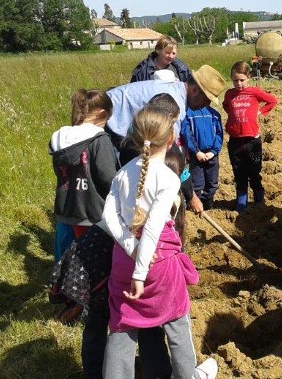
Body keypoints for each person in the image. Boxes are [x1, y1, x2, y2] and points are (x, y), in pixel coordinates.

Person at [101, 106, 218, 379]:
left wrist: (130, 246)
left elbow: (108, 217)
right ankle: (189, 375)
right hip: (158, 265)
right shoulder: (167, 177)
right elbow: (152, 228)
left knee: (121, 327)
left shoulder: (123, 173)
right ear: (170, 140)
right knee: (177, 324)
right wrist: (141, 271)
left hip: (122, 261)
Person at [106, 64, 227, 216]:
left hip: (120, 124)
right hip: (109, 121)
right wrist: (191, 196)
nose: (207, 104)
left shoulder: (176, 92)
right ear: (195, 90)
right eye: (207, 99)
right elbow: (170, 154)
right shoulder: (173, 104)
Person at [50, 89, 118, 262]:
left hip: (65, 212)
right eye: (107, 119)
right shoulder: (100, 140)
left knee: (64, 263)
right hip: (92, 215)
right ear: (102, 113)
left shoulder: (58, 140)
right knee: (90, 268)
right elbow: (108, 178)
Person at [222, 61, 278, 212]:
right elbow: (226, 106)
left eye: (242, 80)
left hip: (252, 140)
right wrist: (234, 118)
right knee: (238, 171)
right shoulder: (230, 94)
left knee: (254, 170)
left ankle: (259, 196)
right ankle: (241, 198)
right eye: (235, 80)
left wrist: (260, 112)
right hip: (235, 140)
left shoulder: (254, 92)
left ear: (248, 77)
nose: (239, 83)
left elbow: (272, 101)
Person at [181, 99, 223, 211]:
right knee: (197, 183)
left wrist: (213, 151)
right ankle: (195, 206)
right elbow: (187, 133)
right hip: (196, 154)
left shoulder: (214, 114)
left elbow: (219, 134)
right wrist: (196, 151)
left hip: (211, 154)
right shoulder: (188, 114)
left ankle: (208, 205)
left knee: (212, 182)